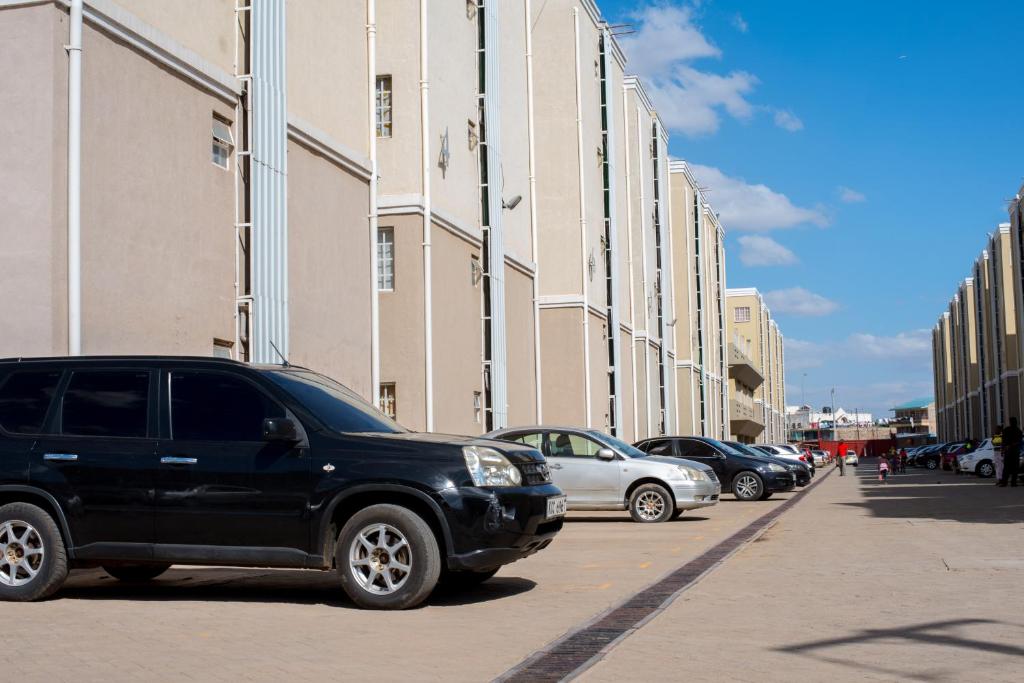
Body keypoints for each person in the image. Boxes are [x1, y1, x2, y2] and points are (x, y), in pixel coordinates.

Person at [998, 418, 1022, 487]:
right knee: (1014, 468)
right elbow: (1019, 441)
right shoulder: (1018, 431)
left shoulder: (1006, 430)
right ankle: (1013, 482)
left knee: (1006, 468)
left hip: (1008, 451)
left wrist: (1003, 449)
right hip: (1014, 451)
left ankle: (1004, 482)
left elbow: (1003, 441)